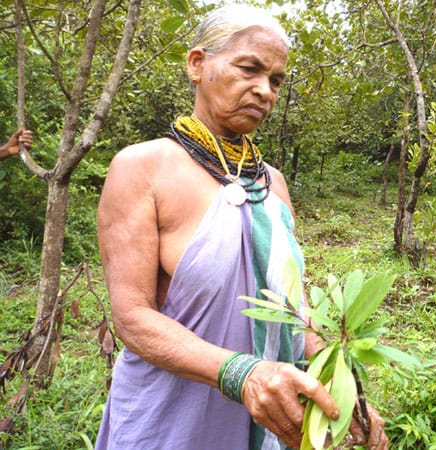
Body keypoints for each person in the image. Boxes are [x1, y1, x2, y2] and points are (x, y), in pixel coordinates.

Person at [95, 5, 388, 450]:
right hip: (172, 419)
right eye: (249, 68)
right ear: (198, 64)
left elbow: (294, 309)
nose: (264, 91)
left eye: (275, 80)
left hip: (268, 419)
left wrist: (342, 391)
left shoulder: (273, 183)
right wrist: (242, 373)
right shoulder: (142, 168)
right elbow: (132, 318)